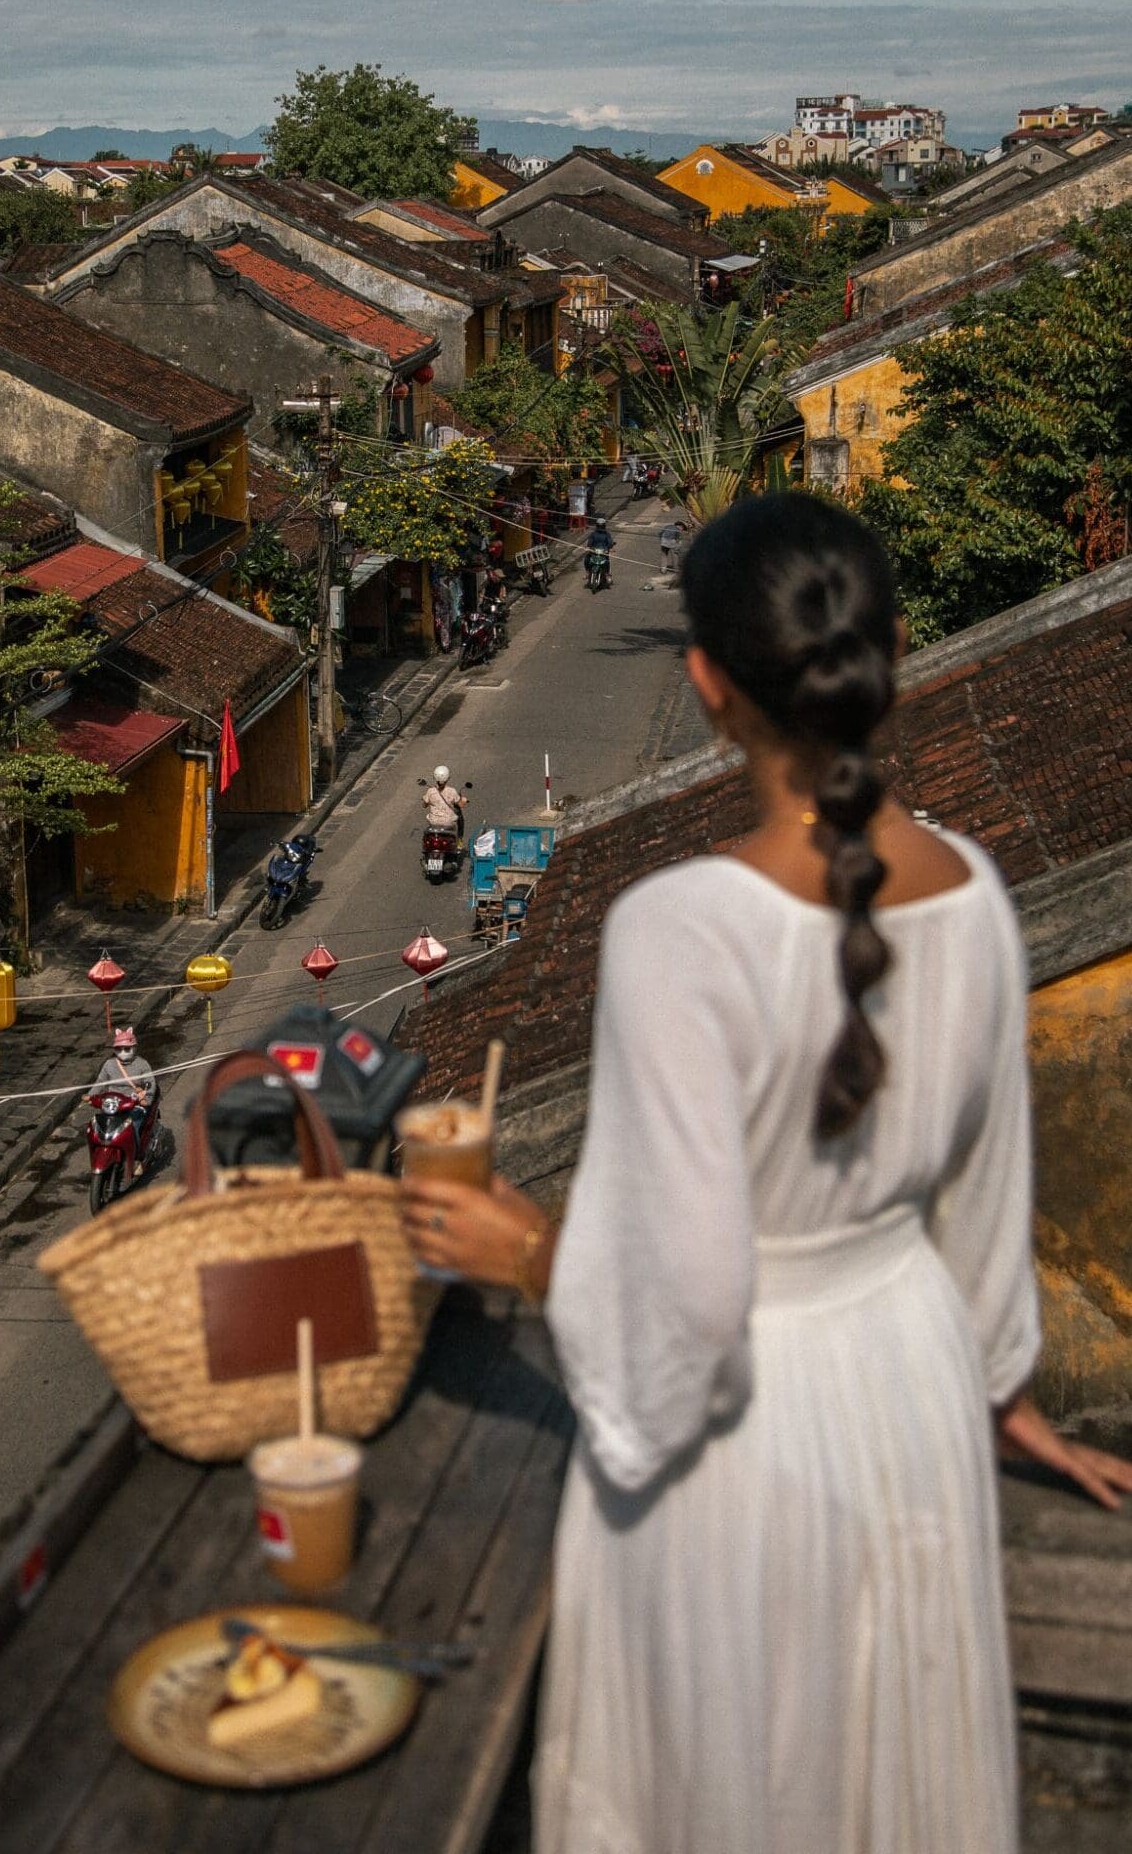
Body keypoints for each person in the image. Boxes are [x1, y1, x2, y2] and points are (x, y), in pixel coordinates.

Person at [401, 493, 1132, 1854]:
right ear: (896, 652)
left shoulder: (679, 930)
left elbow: (683, 1301)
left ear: (707, 685)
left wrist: (531, 1250)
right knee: (883, 1768)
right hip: (910, 1395)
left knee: (745, 1772)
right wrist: (997, 1392)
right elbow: (981, 1207)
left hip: (755, 1440)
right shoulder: (974, 891)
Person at [94, 1027, 157, 1141]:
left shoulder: (142, 1064)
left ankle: (137, 1154)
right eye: (119, 1049)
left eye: (127, 1049)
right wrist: (91, 1095)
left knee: (133, 1127)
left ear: (134, 1048)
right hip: (113, 1104)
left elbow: (150, 1082)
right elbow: (100, 1082)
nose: (123, 1052)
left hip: (134, 1103)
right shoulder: (109, 1064)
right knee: (99, 1127)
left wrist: (145, 1099)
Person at [583, 519, 615, 586]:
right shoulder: (593, 534)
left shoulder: (607, 534)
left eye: (602, 526)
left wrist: (610, 548)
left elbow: (610, 542)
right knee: (586, 559)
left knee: (606, 561)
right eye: (599, 526)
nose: (600, 528)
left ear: (604, 526)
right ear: (597, 526)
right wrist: (588, 547)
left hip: (603, 551)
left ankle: (607, 574)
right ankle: (587, 572)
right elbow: (590, 541)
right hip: (594, 551)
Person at [659, 513, 683, 579]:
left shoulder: (668, 526)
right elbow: (678, 539)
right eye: (682, 527)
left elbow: (660, 533)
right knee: (675, 555)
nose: (682, 529)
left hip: (663, 540)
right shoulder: (678, 530)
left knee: (664, 555)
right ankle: (676, 569)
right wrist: (678, 547)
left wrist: (661, 541)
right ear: (680, 526)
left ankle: (663, 569)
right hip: (671, 541)